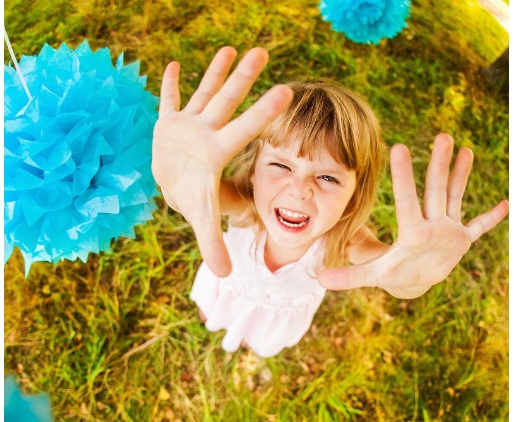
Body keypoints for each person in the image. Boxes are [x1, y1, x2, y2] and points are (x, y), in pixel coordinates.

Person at [152, 46, 509, 358]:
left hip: (279, 311)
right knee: (216, 309)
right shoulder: (246, 205)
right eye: (280, 165)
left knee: (256, 336)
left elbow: (390, 266)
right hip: (230, 287)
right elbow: (199, 195)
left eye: (327, 177)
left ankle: (250, 338)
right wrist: (179, 182)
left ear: (354, 193)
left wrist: (409, 277)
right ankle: (214, 315)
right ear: (252, 174)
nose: (300, 189)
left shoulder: (345, 236)